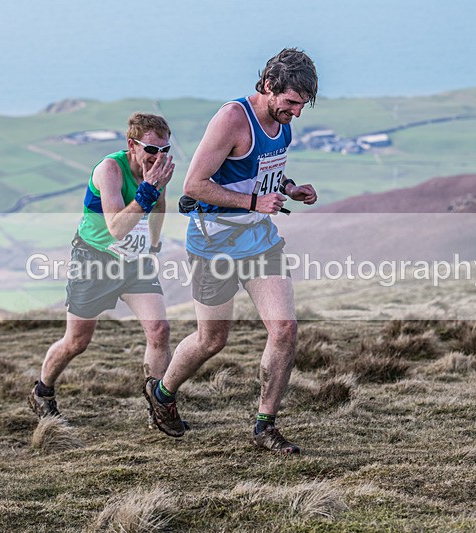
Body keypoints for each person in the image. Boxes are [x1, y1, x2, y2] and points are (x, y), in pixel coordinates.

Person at [143, 48, 319, 454]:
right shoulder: (232, 119)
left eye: (302, 105)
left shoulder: (283, 123)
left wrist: (289, 188)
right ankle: (164, 393)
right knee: (212, 339)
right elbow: (194, 185)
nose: (296, 112)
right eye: (291, 102)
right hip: (213, 242)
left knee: (285, 329)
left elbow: (262, 172)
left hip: (259, 241)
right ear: (269, 86)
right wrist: (255, 204)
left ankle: (264, 426)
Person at [28, 112, 176, 422]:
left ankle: (159, 409)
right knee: (77, 342)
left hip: (135, 262)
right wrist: (149, 189)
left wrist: (155, 243)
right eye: (151, 149)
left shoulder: (156, 172)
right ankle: (43, 390)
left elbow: (159, 205)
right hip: (94, 260)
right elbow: (116, 227)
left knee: (159, 330)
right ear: (131, 145)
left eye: (164, 150)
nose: (158, 157)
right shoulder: (110, 170)